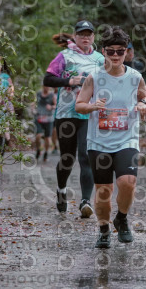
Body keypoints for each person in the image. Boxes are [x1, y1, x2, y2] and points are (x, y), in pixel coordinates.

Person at [75, 26, 146, 249]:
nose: (116, 55)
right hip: (99, 142)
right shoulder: (94, 77)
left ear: (127, 52)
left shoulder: (135, 77)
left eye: (120, 51)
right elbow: (79, 105)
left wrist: (142, 103)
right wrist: (92, 106)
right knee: (104, 191)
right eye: (111, 51)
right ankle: (103, 229)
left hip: (127, 139)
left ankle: (122, 218)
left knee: (128, 182)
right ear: (103, 52)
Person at [43, 21, 104, 218]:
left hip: (89, 113)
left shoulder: (100, 59)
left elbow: (110, 81)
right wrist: (70, 81)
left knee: (86, 155)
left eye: (89, 34)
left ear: (93, 37)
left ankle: (85, 201)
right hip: (66, 113)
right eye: (81, 34)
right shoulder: (64, 56)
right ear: (75, 37)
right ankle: (61, 189)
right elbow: (48, 79)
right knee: (67, 158)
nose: (85, 38)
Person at [30, 85, 56, 162]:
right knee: (38, 136)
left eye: (48, 86)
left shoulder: (52, 95)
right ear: (43, 86)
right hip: (38, 118)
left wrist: (51, 107)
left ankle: (46, 153)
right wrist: (33, 109)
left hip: (48, 119)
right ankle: (38, 150)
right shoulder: (38, 94)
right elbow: (33, 103)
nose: (47, 88)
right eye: (45, 86)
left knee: (47, 138)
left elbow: (56, 105)